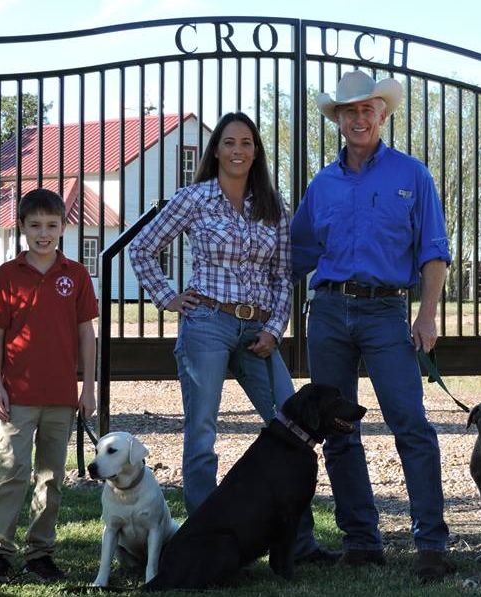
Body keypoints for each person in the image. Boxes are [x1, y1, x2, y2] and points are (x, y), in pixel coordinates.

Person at [128, 111, 335, 564]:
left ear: (255, 151)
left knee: (293, 427)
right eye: (229, 142)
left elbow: (283, 276)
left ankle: (300, 544)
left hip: (258, 328)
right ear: (216, 150)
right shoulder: (194, 198)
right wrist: (167, 297)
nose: (237, 150)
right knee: (201, 432)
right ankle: (207, 543)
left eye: (246, 143)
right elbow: (141, 248)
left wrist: (273, 329)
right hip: (208, 324)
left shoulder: (272, 207)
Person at [290, 70, 455, 582]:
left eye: (368, 110)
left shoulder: (413, 176)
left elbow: (434, 251)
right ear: (338, 119)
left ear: (383, 115)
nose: (359, 118)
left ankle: (431, 544)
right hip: (330, 313)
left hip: (387, 313)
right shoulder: (323, 185)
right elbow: (294, 255)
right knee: (338, 430)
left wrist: (426, 315)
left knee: (411, 425)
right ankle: (362, 540)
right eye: (349, 111)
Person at [0, 188, 98, 585]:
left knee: (50, 477)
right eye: (36, 225)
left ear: (63, 226)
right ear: (21, 226)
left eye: (52, 225)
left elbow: (86, 335)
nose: (44, 233)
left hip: (61, 398)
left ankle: (40, 554)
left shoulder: (75, 275)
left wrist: (88, 388)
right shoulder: (9, 275)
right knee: (13, 471)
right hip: (18, 398)